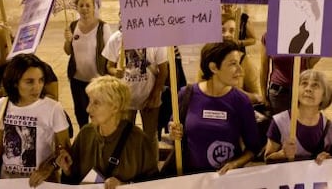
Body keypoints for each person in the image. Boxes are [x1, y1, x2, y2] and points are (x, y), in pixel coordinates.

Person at [0, 53, 71, 187]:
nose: (37, 87)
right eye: (29, 81)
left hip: (42, 184)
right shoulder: (3, 104)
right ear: (14, 83)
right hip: (8, 182)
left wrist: (49, 167)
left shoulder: (53, 108)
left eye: (41, 80)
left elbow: (65, 150)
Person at [168, 41, 261, 174]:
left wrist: (235, 164)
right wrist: (173, 132)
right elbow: (174, 128)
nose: (240, 70)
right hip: (190, 179)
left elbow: (253, 148)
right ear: (214, 67)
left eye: (239, 63)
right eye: (233, 64)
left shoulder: (241, 101)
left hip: (224, 182)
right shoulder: (187, 94)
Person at [56, 76, 159, 187]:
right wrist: (67, 171)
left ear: (115, 107)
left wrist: (124, 185)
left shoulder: (138, 140)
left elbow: (154, 183)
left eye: (96, 103)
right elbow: (73, 181)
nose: (88, 109)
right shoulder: (86, 134)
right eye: (89, 101)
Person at [102, 27, 168, 159]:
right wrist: (115, 72)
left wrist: (155, 95)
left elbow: (163, 71)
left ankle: (151, 168)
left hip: (149, 94)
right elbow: (109, 66)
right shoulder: (116, 38)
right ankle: (129, 166)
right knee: (125, 135)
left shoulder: (156, 37)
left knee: (150, 135)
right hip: (125, 98)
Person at [64, 0, 111, 128]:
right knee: (81, 113)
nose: (84, 8)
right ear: (77, 8)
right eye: (81, 5)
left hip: (97, 80)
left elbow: (111, 53)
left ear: (93, 7)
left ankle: (99, 140)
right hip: (77, 79)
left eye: (88, 5)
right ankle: (85, 137)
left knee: (99, 113)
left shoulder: (103, 27)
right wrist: (68, 41)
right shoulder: (72, 27)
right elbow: (68, 52)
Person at [265, 69, 332, 164]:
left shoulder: (329, 127)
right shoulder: (280, 122)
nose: (308, 89)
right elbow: (267, 159)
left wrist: (327, 159)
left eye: (315, 85)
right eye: (304, 83)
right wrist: (282, 154)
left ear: (324, 95)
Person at [260, 32, 320, 115]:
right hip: (278, 92)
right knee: (280, 126)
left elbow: (308, 65)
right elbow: (264, 67)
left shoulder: (306, 34)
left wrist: (320, 52)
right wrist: (263, 95)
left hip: (301, 90)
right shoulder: (271, 34)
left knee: (300, 125)